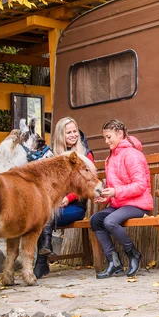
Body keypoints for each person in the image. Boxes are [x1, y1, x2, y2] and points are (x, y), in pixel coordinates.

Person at [34, 117, 96, 279]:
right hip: (54, 203)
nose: (73, 135)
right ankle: (43, 256)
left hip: (76, 205)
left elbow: (88, 183)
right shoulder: (54, 156)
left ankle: (42, 260)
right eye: (69, 132)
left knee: (45, 217)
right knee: (40, 215)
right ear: (61, 135)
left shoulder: (85, 155)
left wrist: (68, 198)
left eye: (75, 131)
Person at [92, 119, 153, 279]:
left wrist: (115, 192)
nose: (106, 141)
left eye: (109, 137)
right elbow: (115, 186)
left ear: (120, 134)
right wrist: (105, 197)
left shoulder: (132, 155)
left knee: (109, 221)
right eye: (104, 138)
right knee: (96, 219)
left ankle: (133, 254)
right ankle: (114, 262)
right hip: (121, 204)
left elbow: (140, 185)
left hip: (139, 204)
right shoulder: (112, 156)